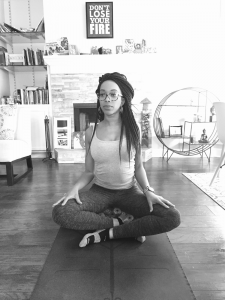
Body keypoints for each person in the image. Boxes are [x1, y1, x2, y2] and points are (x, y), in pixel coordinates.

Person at [52, 72, 181, 248]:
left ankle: (107, 233)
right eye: (102, 94)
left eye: (113, 94)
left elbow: (138, 168)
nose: (107, 99)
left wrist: (148, 191)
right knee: (61, 212)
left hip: (129, 192)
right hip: (100, 192)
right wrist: (74, 189)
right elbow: (89, 171)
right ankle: (122, 223)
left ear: (123, 100)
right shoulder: (91, 132)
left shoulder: (133, 130)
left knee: (171, 216)